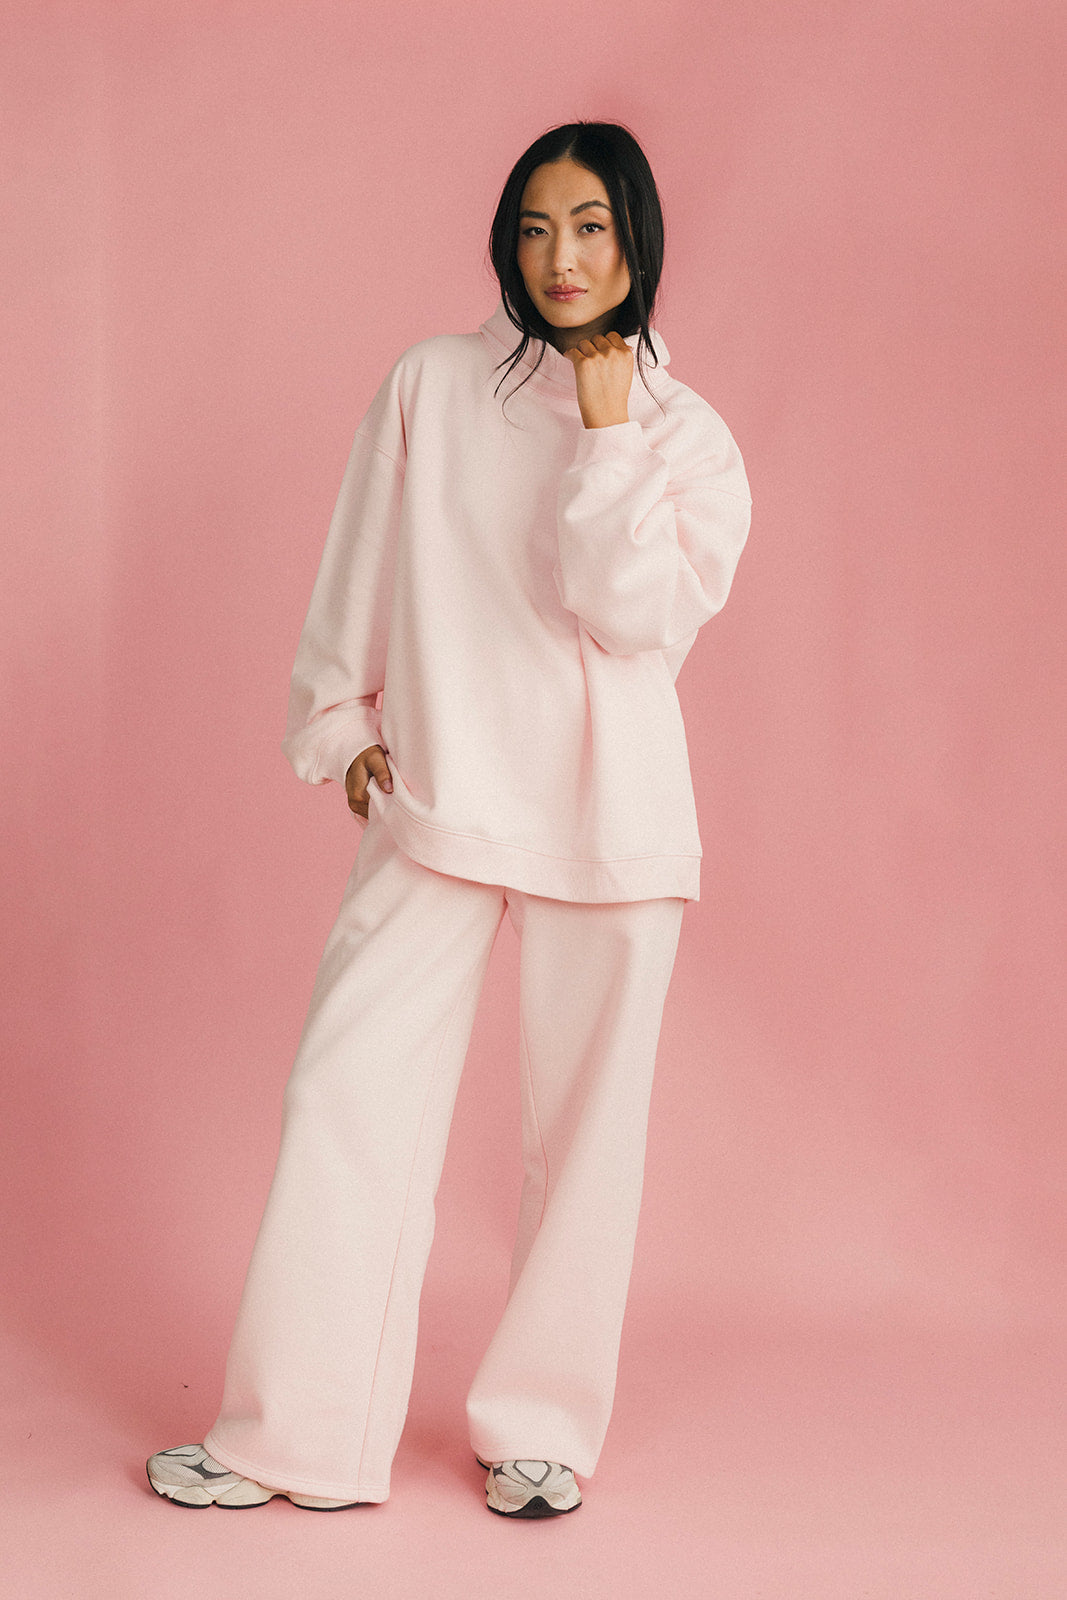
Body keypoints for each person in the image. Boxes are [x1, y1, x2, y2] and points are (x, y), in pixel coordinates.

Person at [147, 120, 751, 1520]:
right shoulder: (432, 383)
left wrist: (609, 429)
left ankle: (540, 1429)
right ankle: (295, 1434)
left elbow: (628, 616)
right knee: (348, 1097)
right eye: (535, 228)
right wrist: (340, 724)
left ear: (637, 237)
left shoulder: (691, 438)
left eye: (589, 226)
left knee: (586, 1140)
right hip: (439, 799)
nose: (560, 257)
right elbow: (359, 558)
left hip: (614, 817)